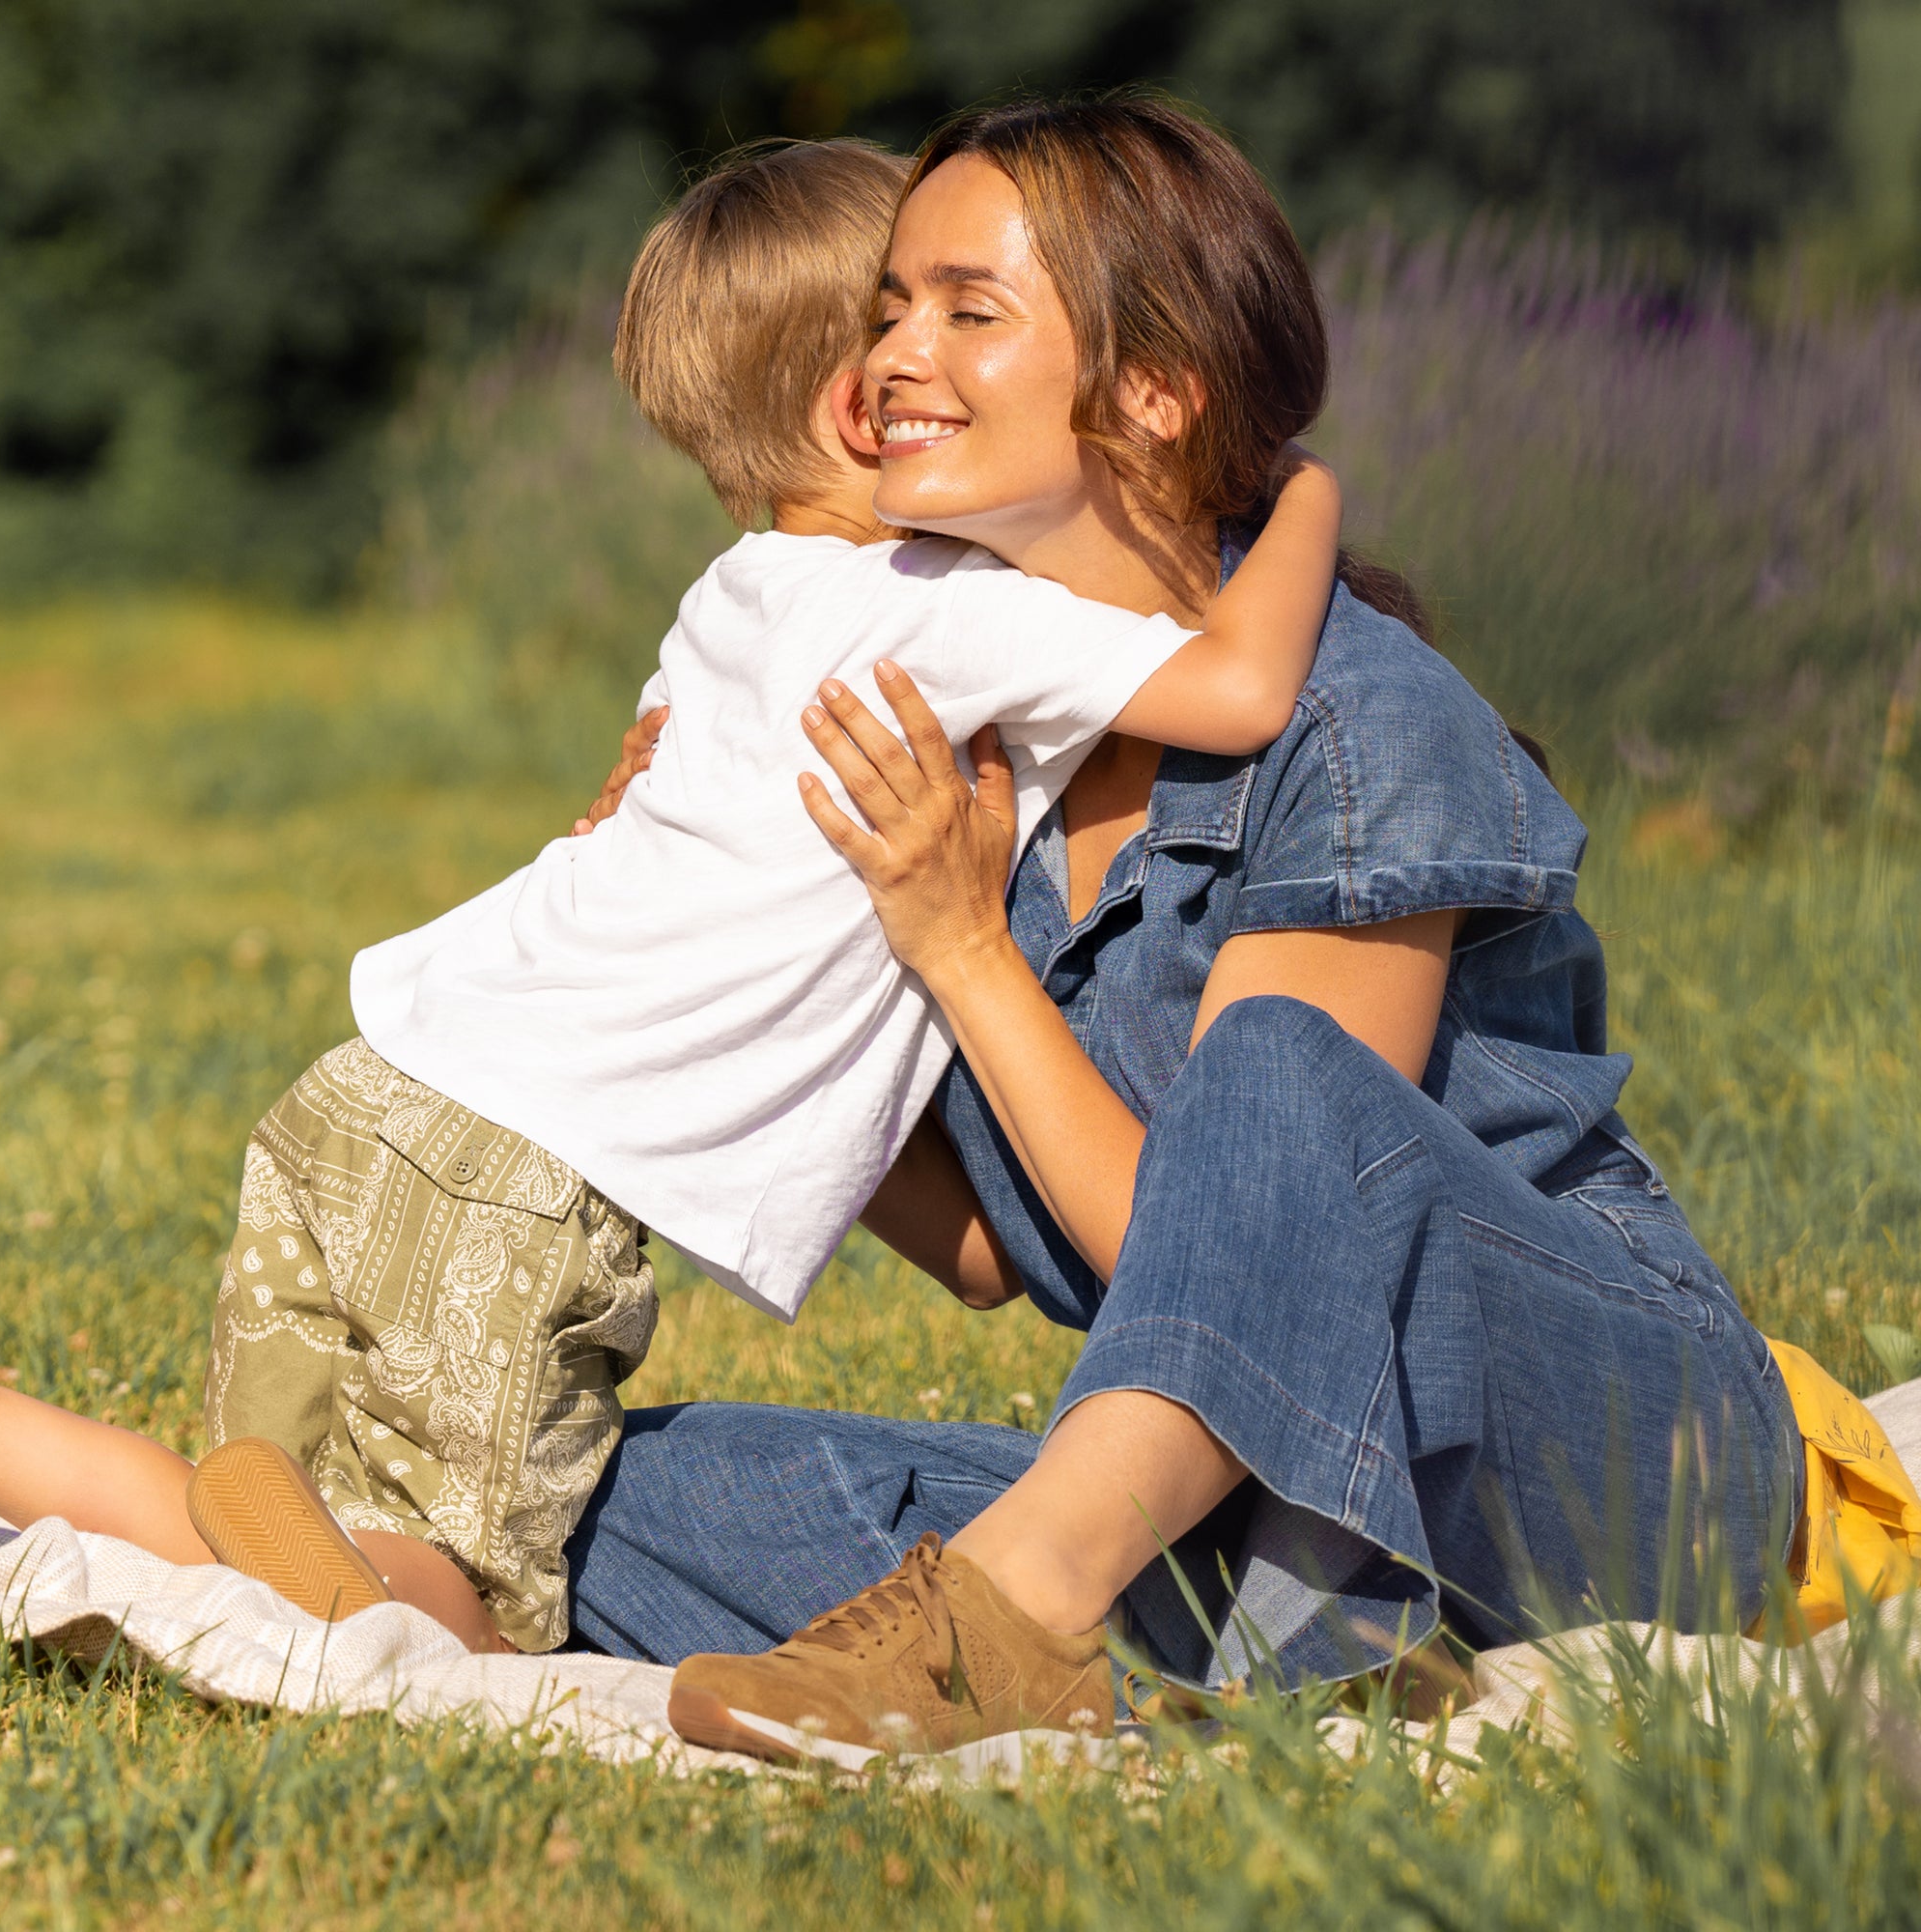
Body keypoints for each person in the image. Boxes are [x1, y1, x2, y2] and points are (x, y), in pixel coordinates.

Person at [555, 96, 1807, 1769]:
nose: (894, 356)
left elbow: (1228, 1239)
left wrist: (962, 949)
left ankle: (1025, 1615)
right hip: (1271, 1485)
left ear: (1153, 388)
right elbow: (988, 1252)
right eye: (889, 308)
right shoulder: (972, 748)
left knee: (1276, 1065)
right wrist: (673, 930)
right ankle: (1300, 1642)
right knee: (616, 1498)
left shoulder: (1357, 725)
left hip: (1619, 1459)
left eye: (969, 312)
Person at [0, 137, 1342, 1656]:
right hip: (509, 1173)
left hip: (361, 1100)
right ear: (869, 410)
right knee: (454, 1610)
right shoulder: (943, 612)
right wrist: (1298, 491)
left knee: (261, 1544)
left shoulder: (726, 600)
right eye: (903, 325)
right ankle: (354, 1584)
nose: (928, 355)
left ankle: (9, 1443)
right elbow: (1240, 688)